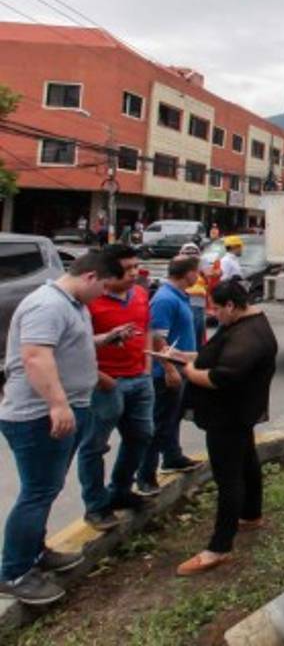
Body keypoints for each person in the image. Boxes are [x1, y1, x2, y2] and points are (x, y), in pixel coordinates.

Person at [0, 250, 130, 605]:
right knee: (38, 491)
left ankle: (35, 553)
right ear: (90, 277)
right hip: (37, 416)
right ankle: (13, 572)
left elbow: (70, 345)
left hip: (67, 409)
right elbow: (35, 356)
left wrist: (106, 339)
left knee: (47, 488)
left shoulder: (72, 305)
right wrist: (57, 403)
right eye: (103, 287)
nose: (103, 295)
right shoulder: (48, 305)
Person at [168, 280, 277, 576]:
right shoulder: (250, 324)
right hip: (240, 413)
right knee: (247, 463)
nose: (214, 314)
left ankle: (219, 547)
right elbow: (220, 358)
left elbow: (220, 377)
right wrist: (187, 358)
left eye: (216, 308)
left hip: (227, 415)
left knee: (228, 478)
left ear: (231, 305)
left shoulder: (248, 335)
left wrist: (190, 372)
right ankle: (251, 514)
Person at [77, 245, 153, 531]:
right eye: (128, 268)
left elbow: (147, 329)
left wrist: (145, 368)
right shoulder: (89, 302)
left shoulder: (141, 295)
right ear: (107, 271)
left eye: (136, 266)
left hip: (139, 379)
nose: (135, 272)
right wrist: (100, 377)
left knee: (141, 436)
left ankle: (120, 490)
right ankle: (96, 505)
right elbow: (76, 347)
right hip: (104, 385)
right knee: (94, 446)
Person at [135, 256, 204, 496]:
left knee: (172, 418)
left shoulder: (179, 297)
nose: (199, 275)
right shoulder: (165, 299)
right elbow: (156, 336)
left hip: (180, 368)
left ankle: (172, 456)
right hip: (164, 373)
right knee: (158, 423)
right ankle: (145, 475)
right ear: (188, 274)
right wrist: (169, 369)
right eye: (197, 271)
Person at [180, 243, 208, 347]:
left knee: (193, 333)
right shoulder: (201, 263)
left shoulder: (180, 264)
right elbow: (208, 278)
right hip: (195, 302)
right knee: (196, 334)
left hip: (192, 301)